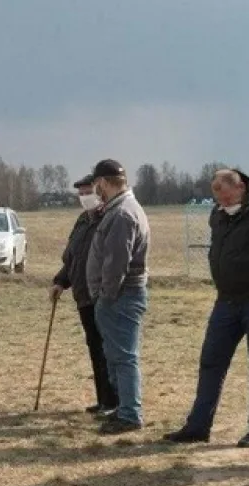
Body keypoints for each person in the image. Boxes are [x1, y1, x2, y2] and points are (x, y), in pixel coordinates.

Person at [164, 169, 249, 446]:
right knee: (211, 362)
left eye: (222, 190)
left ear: (240, 186)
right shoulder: (218, 213)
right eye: (214, 190)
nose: (218, 196)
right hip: (225, 301)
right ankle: (198, 425)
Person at [85, 159, 150, 435]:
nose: (93, 189)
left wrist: (105, 295)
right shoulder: (116, 210)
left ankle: (130, 414)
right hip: (117, 296)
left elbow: (116, 263)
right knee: (116, 356)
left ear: (103, 182)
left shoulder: (122, 213)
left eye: (95, 183)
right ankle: (122, 409)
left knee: (123, 357)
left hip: (120, 297)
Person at [51, 174, 117, 417]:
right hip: (83, 295)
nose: (84, 197)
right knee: (95, 348)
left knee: (106, 350)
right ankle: (103, 400)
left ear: (100, 191)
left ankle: (113, 401)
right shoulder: (82, 220)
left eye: (88, 192)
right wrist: (60, 281)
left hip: (101, 295)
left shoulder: (109, 218)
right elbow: (73, 257)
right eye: (80, 194)